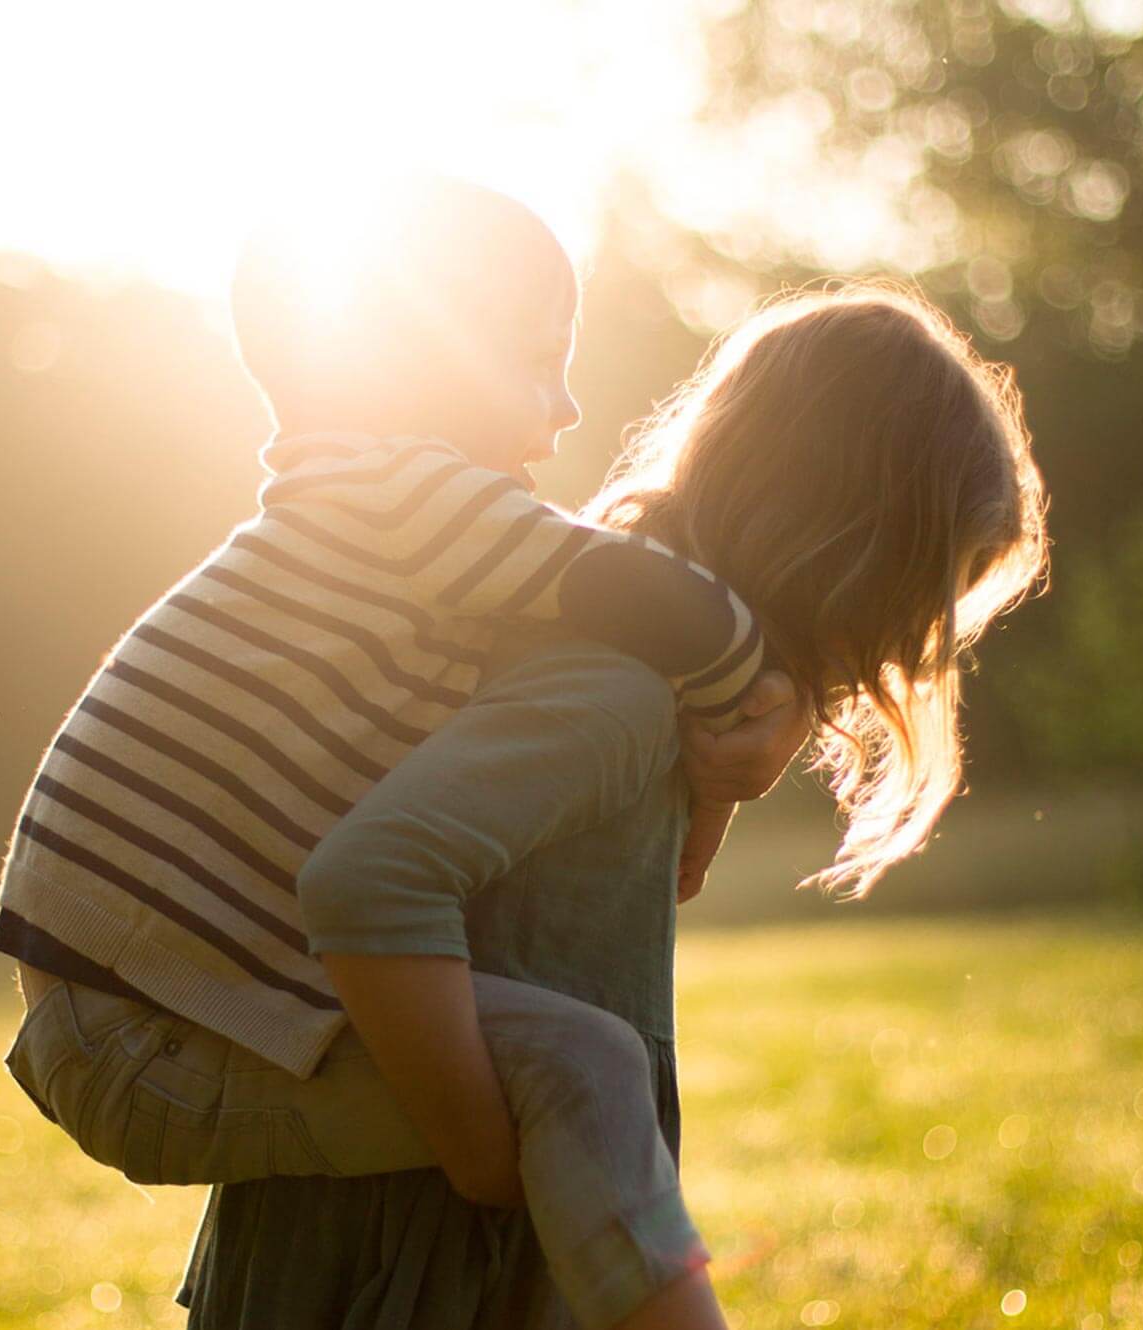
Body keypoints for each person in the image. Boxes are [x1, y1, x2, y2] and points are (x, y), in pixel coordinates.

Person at [0, 177, 810, 1330]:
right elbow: (639, 592)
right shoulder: (402, 496)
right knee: (584, 1065)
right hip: (145, 1033)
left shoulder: (362, 517)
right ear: (422, 363)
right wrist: (756, 698)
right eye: (536, 360)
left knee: (565, 1065)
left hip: (136, 1014)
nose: (567, 405)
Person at [179, 282, 1050, 1326]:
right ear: (848, 546)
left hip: (468, 1218)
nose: (917, 643)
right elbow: (373, 878)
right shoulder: (614, 692)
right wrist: (482, 1146)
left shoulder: (653, 683)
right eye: (929, 586)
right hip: (413, 1247)